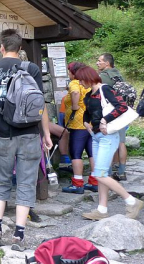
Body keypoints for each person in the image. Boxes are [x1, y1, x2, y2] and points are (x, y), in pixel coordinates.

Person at [0, 29, 52, 252]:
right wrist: (46, 134)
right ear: (19, 48)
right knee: (26, 183)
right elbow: (40, 105)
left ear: (1, 47)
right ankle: (19, 235)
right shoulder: (31, 69)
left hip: (3, 136)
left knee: (1, 181)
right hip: (30, 135)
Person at [74, 66, 144, 220]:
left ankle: (131, 201)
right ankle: (102, 209)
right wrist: (86, 122)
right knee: (102, 173)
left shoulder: (105, 90)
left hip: (108, 136)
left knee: (99, 174)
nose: (80, 82)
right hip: (96, 136)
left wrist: (106, 119)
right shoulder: (89, 94)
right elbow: (88, 112)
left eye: (81, 79)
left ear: (88, 77)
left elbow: (122, 106)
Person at [61, 62, 98, 194]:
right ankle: (94, 181)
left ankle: (77, 183)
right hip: (90, 121)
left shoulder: (74, 83)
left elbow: (75, 93)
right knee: (91, 152)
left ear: (73, 72)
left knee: (76, 152)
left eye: (69, 71)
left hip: (78, 122)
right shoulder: (88, 83)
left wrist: (75, 106)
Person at [96, 53, 128, 181]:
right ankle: (121, 171)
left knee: (108, 142)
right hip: (123, 111)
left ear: (107, 63)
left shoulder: (102, 77)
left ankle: (108, 172)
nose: (97, 63)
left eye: (99, 61)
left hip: (109, 114)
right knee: (121, 142)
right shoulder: (119, 75)